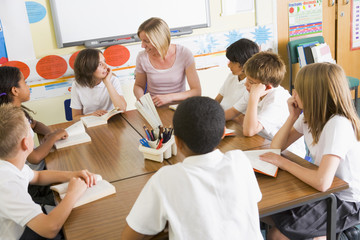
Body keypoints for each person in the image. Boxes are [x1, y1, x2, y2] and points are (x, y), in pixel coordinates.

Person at [121, 96, 263, 240]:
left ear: (176, 141)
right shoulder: (239, 161)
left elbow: (129, 237)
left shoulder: (165, 179)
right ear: (223, 133)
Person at [260, 63, 360, 240]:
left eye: (298, 90)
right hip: (325, 190)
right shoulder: (309, 117)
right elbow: (277, 147)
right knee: (267, 213)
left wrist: (283, 162)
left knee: (277, 235)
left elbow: (322, 182)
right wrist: (292, 117)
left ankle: (318, 234)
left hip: (347, 201)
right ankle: (316, 234)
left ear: (314, 95)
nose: (293, 94)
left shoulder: (338, 124)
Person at [0, 103, 97, 240]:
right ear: (26, 143)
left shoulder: (10, 164)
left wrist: (72, 175)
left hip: (21, 226)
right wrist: (73, 193)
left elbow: (37, 176)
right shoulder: (6, 183)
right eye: (30, 131)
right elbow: (49, 229)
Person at [225, 51, 306, 157]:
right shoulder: (253, 90)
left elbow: (249, 131)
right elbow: (231, 112)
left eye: (251, 82)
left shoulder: (276, 101)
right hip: (265, 144)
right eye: (247, 79)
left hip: (288, 153)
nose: (245, 84)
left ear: (267, 87)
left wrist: (254, 96)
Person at [0, 66, 67, 171]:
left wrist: (48, 133)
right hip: (33, 178)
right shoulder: (11, 123)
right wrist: (53, 137)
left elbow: (35, 124)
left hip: (41, 167)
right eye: (25, 82)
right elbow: (34, 158)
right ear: (15, 90)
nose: (28, 86)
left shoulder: (17, 113)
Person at [133, 17, 201, 107]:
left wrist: (169, 97)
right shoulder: (142, 57)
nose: (142, 46)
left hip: (179, 109)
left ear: (160, 40)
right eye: (141, 41)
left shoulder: (184, 54)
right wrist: (142, 100)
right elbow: (138, 85)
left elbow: (196, 91)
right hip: (154, 109)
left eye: (147, 41)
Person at [71, 48, 127, 120]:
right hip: (90, 122)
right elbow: (75, 118)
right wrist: (91, 115)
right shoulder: (76, 85)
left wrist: (107, 83)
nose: (106, 66)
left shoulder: (113, 80)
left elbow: (122, 109)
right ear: (88, 68)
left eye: (104, 62)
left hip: (112, 121)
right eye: (100, 64)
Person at [215, 38, 259, 110]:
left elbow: (239, 116)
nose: (229, 65)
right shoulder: (231, 76)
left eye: (233, 62)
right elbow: (217, 100)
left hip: (230, 119)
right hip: (220, 115)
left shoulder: (251, 86)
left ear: (246, 62)